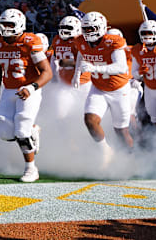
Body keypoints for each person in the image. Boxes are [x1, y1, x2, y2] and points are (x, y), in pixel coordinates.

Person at [0, 8, 52, 183]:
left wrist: (31, 88)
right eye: (3, 24)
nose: (5, 28)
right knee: (5, 132)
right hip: (9, 90)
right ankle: (32, 130)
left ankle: (31, 168)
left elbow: (47, 73)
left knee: (21, 129)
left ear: (19, 25)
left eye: (10, 24)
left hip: (28, 89)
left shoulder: (30, 41)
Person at [72, 12, 132, 166]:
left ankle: (131, 159)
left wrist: (93, 67)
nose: (88, 32)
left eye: (91, 28)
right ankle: (105, 150)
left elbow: (121, 67)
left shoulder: (112, 42)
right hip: (98, 87)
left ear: (101, 28)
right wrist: (77, 73)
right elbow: (81, 52)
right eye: (85, 29)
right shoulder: (81, 41)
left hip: (119, 89)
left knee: (121, 131)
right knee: (90, 120)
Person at [49, 16, 90, 88]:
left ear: (77, 28)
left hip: (82, 81)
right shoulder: (57, 39)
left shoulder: (81, 40)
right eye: (62, 27)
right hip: (63, 80)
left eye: (68, 27)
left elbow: (86, 62)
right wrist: (54, 74)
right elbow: (54, 57)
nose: (64, 30)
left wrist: (69, 63)